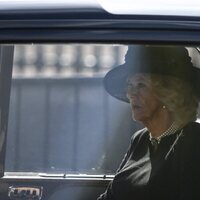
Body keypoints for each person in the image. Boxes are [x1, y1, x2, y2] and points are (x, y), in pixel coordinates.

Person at [97, 45, 200, 200]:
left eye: (141, 85)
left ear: (169, 93)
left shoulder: (192, 139)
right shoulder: (140, 139)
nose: (131, 93)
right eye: (129, 85)